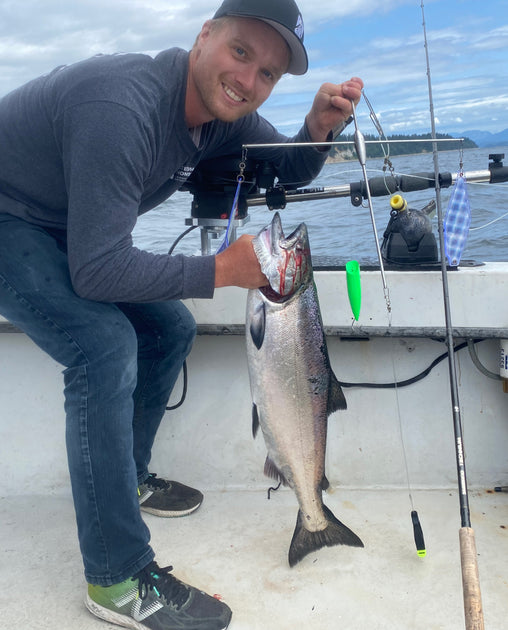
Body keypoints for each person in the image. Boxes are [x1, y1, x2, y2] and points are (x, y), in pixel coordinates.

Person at [0, 0, 363, 628]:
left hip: (62, 226)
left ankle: (130, 477)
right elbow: (97, 271)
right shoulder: (122, 106)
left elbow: (283, 166)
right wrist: (224, 270)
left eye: (269, 75)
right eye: (241, 53)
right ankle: (116, 577)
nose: (249, 81)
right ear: (204, 36)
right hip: (8, 218)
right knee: (104, 347)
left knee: (170, 327)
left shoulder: (218, 121)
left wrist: (316, 125)